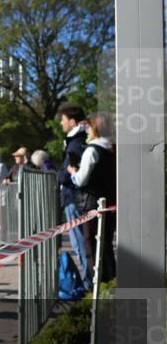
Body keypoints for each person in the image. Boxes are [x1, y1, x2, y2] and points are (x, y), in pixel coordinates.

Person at [68, 112, 116, 285]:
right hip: (110, 203)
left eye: (88, 126)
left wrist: (73, 173)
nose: (86, 130)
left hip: (91, 205)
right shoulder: (112, 148)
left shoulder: (92, 150)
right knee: (107, 248)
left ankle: (99, 290)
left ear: (95, 127)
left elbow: (81, 180)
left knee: (93, 249)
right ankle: (111, 285)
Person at [56, 104, 91, 287]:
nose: (61, 123)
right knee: (82, 244)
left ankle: (88, 286)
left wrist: (60, 176)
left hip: (74, 199)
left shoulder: (76, 144)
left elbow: (70, 173)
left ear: (72, 122)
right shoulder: (79, 140)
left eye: (63, 120)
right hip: (76, 198)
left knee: (80, 244)